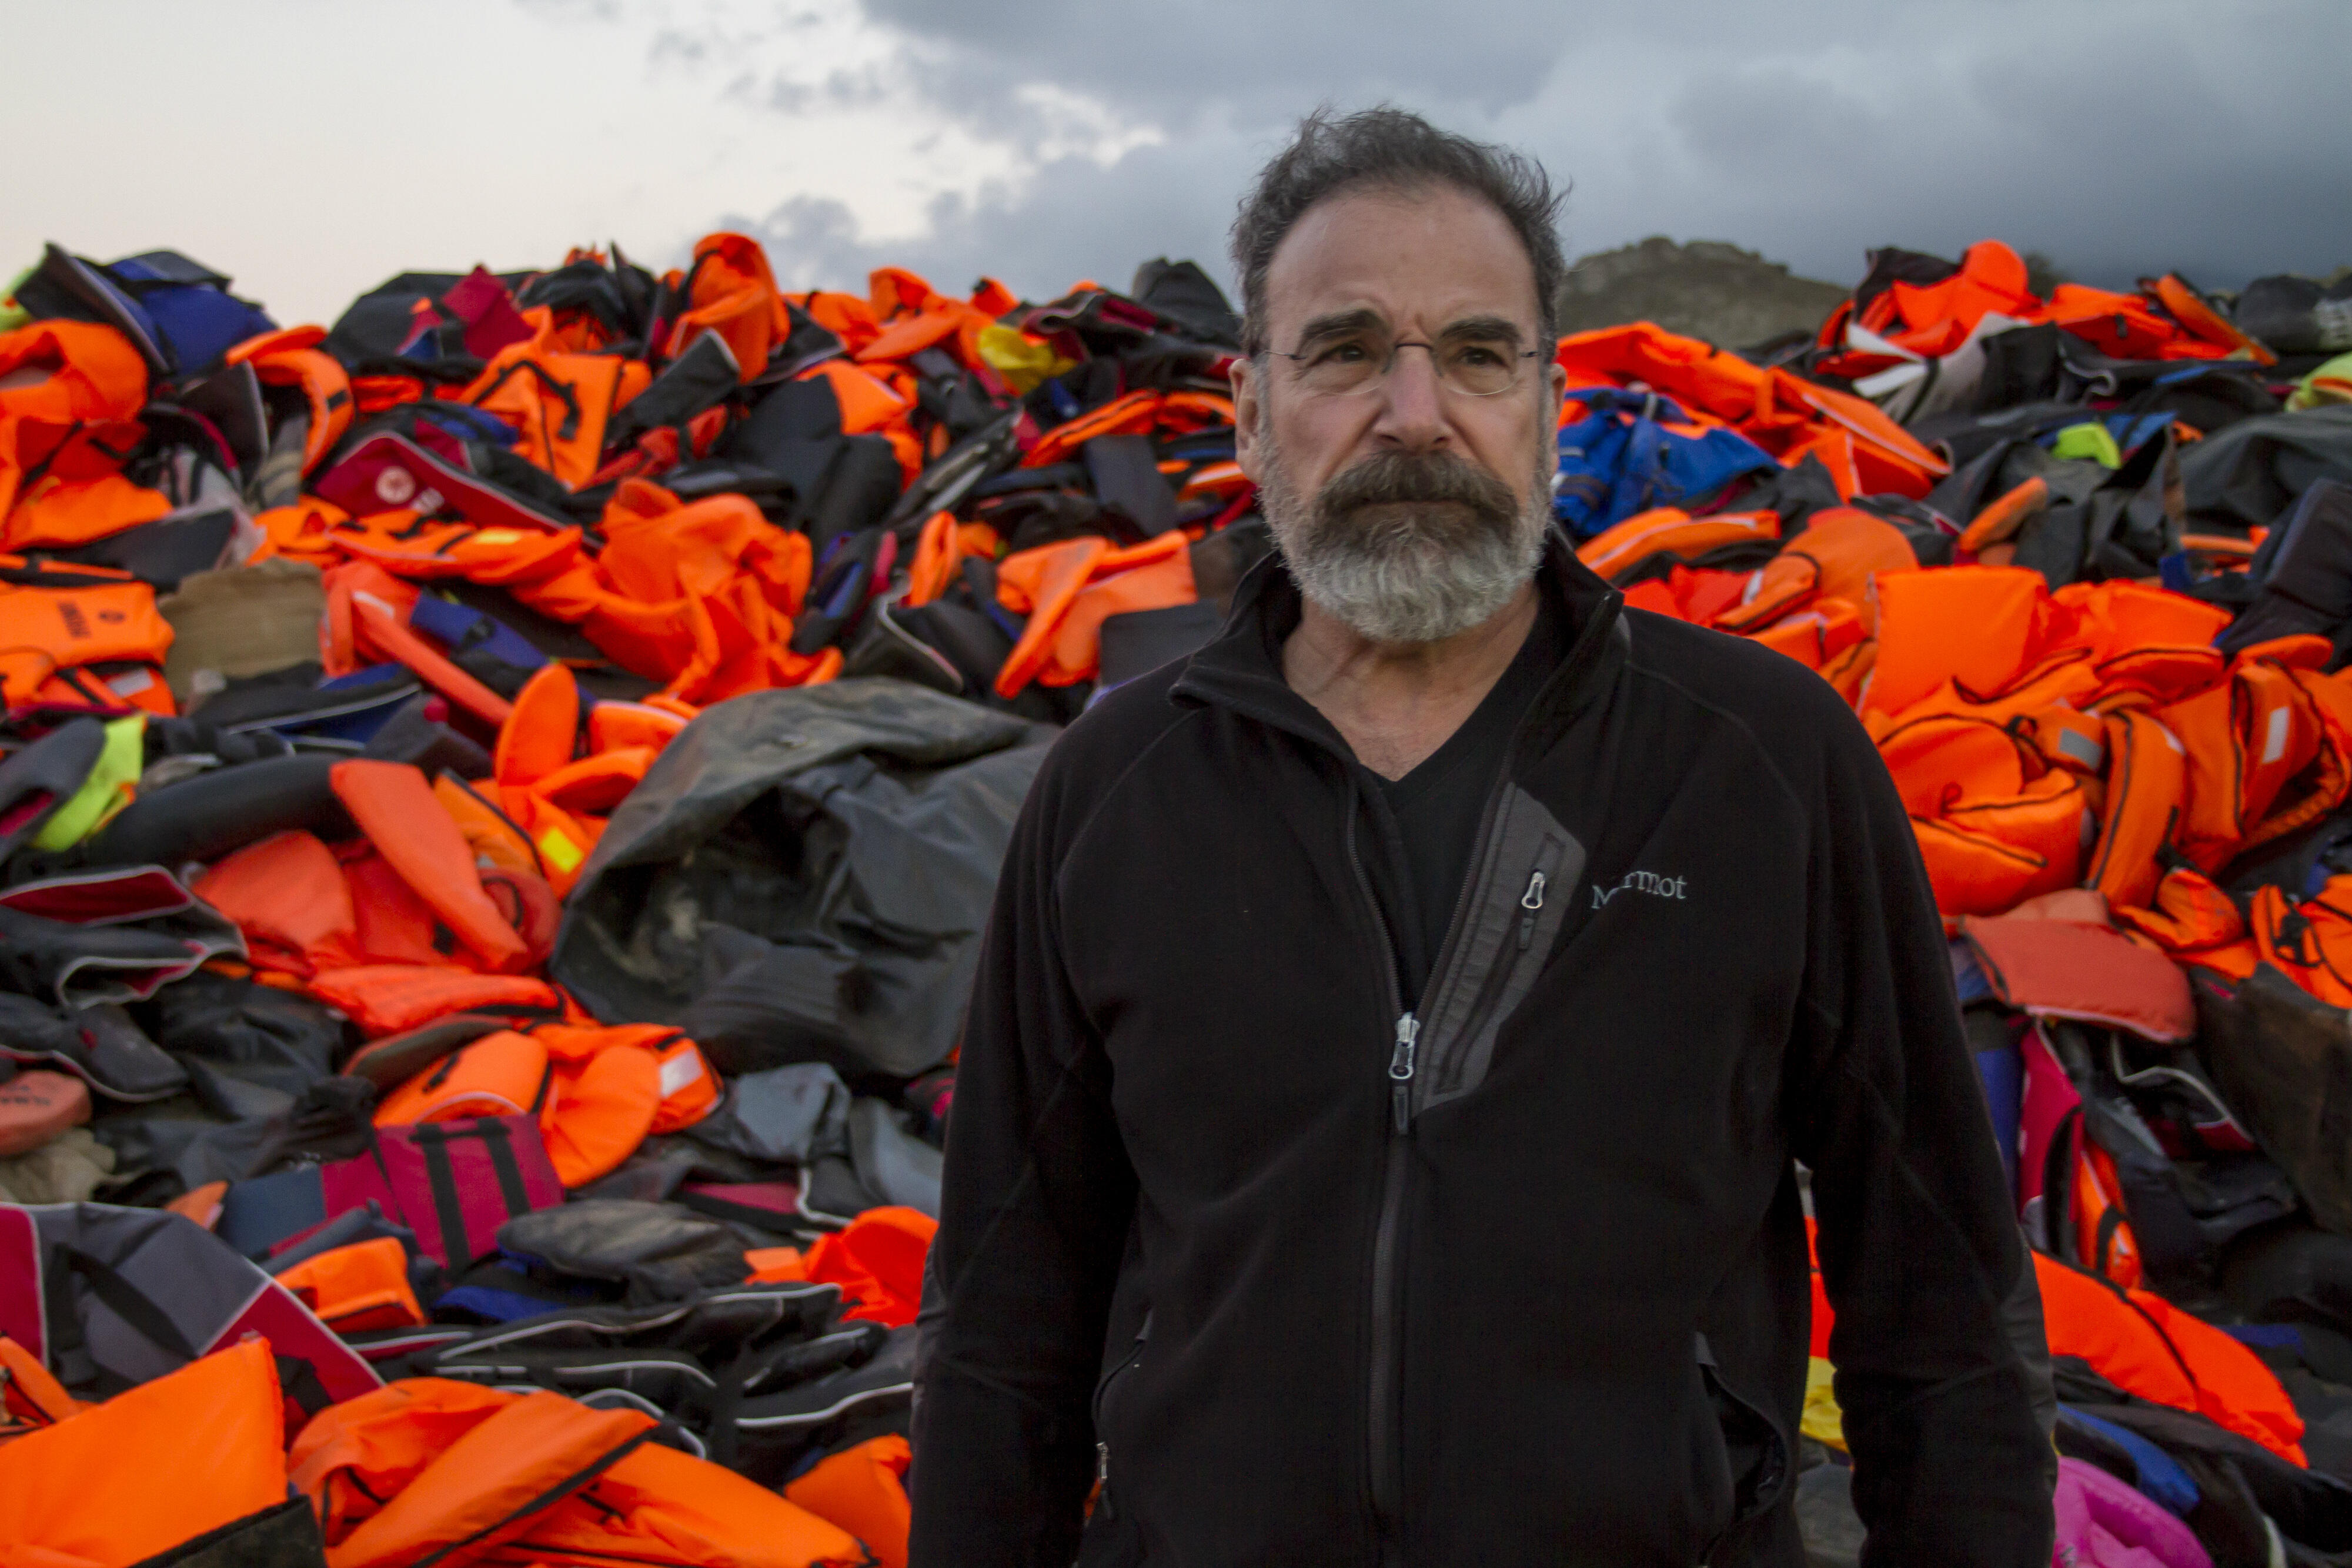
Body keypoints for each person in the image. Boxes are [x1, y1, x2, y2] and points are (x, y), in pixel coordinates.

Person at [908, 106, 2054, 1566]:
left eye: (1475, 351)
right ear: (1248, 407)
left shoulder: (1761, 764)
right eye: (1341, 351)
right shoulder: (1113, 789)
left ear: (1547, 401)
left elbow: (1944, 1310)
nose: (1413, 411)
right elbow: (1007, 1323)